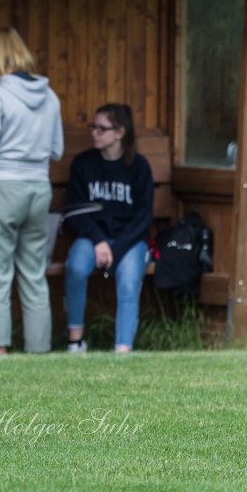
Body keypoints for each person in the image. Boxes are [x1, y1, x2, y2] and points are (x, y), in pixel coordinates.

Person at [0, 27, 63, 355]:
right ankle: (38, 350)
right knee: (33, 272)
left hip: (2, 186)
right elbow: (56, 149)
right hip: (39, 187)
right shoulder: (50, 96)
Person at [63, 104, 154, 353]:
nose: (94, 133)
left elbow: (143, 218)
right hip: (93, 238)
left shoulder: (138, 167)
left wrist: (119, 248)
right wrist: (99, 241)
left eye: (101, 129)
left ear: (119, 133)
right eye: (93, 127)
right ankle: (76, 340)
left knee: (128, 279)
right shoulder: (83, 164)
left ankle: (123, 347)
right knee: (76, 267)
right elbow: (75, 211)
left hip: (129, 240)